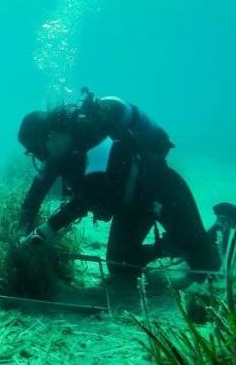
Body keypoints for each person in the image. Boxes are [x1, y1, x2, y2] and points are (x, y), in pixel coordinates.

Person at [16, 88, 220, 281]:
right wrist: (21, 233)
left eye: (39, 150)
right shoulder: (58, 156)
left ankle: (225, 220)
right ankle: (171, 247)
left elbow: (88, 197)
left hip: (162, 191)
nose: (41, 158)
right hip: (131, 208)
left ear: (51, 135)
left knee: (207, 266)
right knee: (120, 265)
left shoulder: (96, 136)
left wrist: (42, 233)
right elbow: (33, 197)